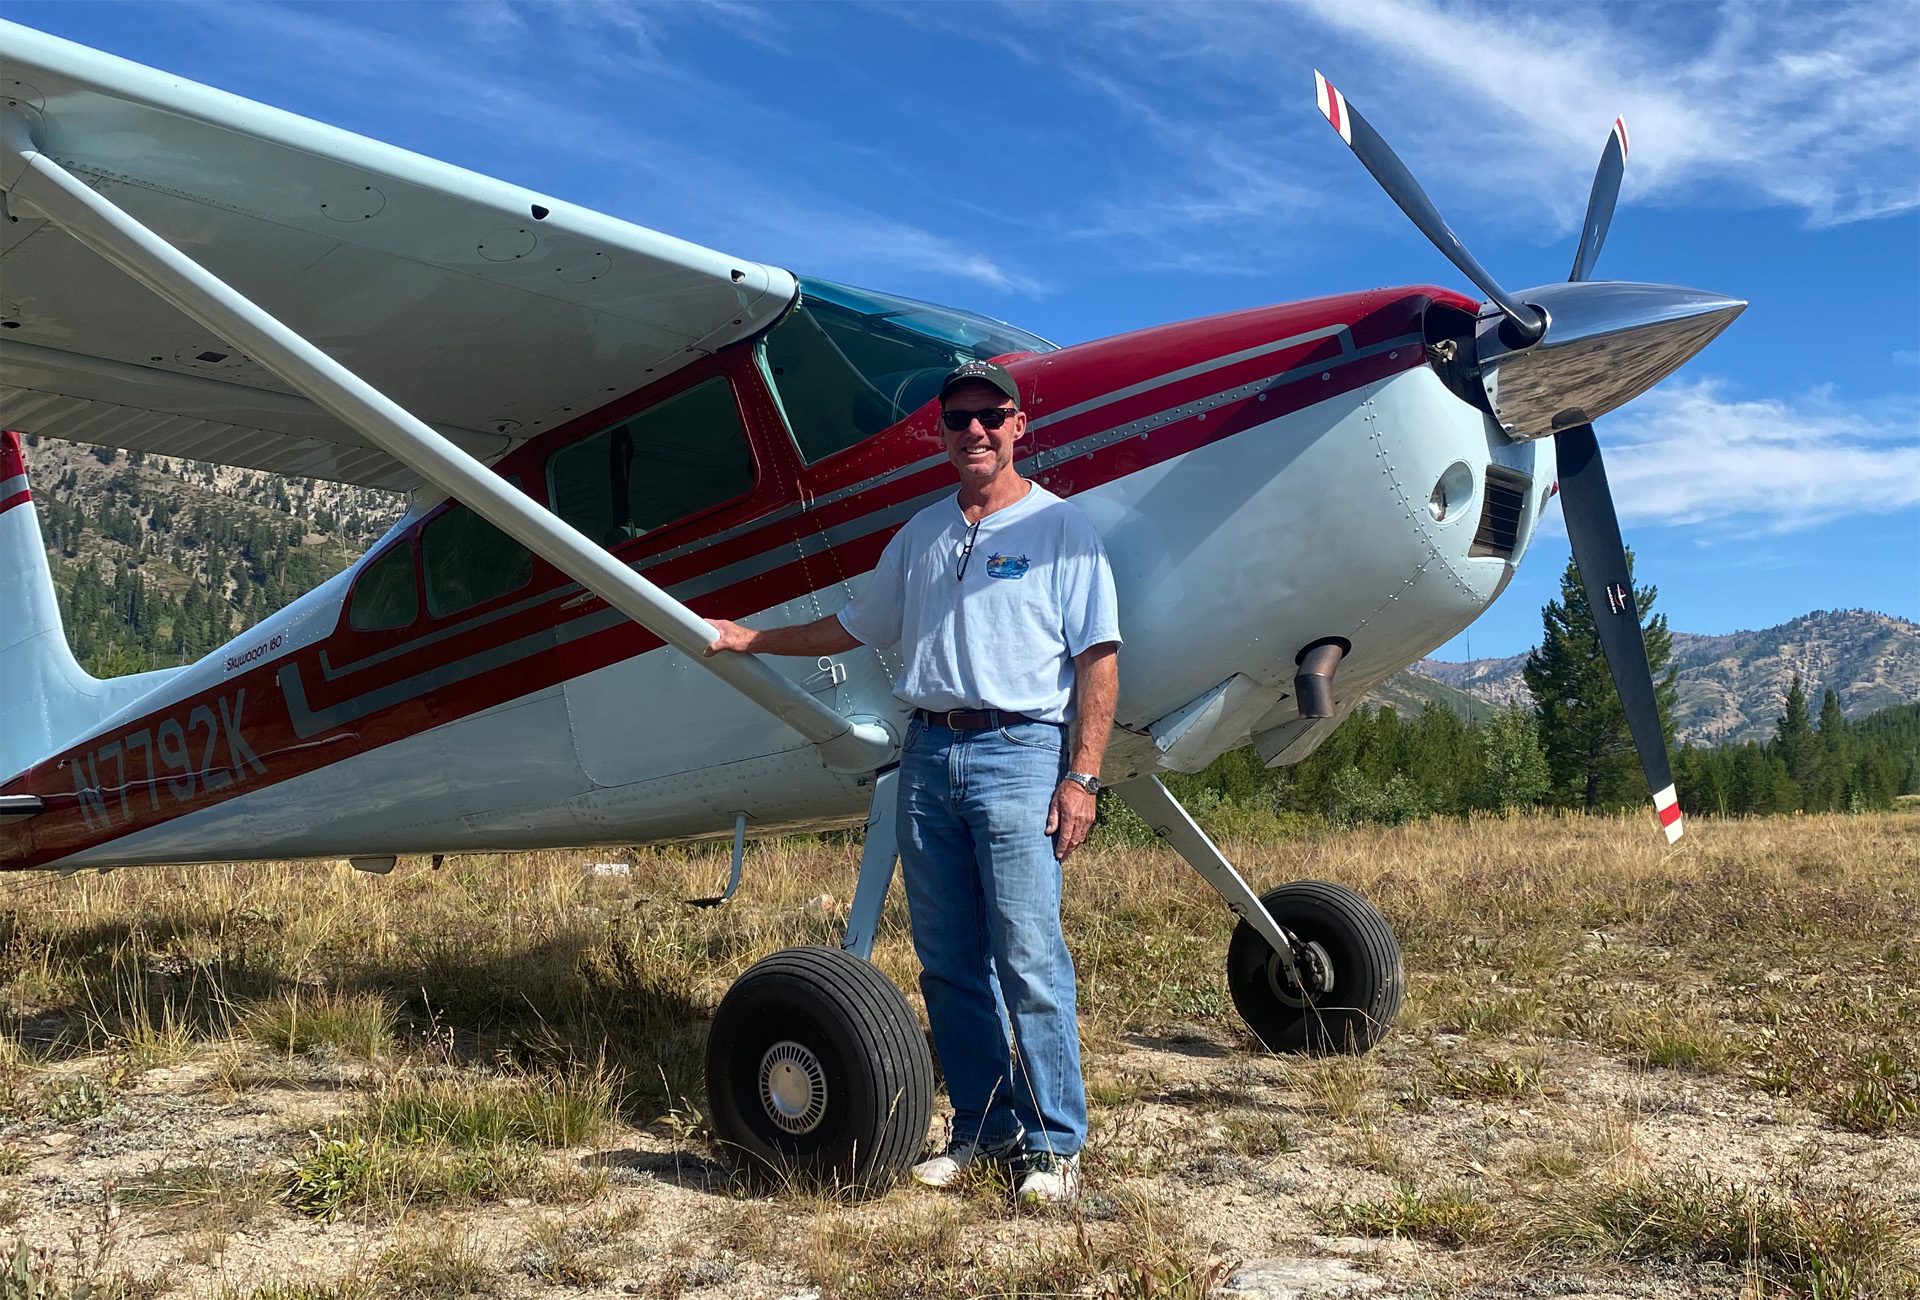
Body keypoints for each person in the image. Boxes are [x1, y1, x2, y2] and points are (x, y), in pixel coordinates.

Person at [705, 358, 1121, 1205]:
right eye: (958, 418)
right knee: (949, 961)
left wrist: (1081, 776)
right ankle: (982, 1128)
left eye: (990, 416)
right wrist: (751, 639)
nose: (974, 430)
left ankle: (1054, 1146)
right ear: (942, 434)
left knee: (1030, 954)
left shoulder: (1062, 531)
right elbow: (853, 625)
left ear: (1018, 427)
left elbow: (1098, 660)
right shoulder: (922, 534)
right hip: (928, 754)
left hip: (1019, 753)